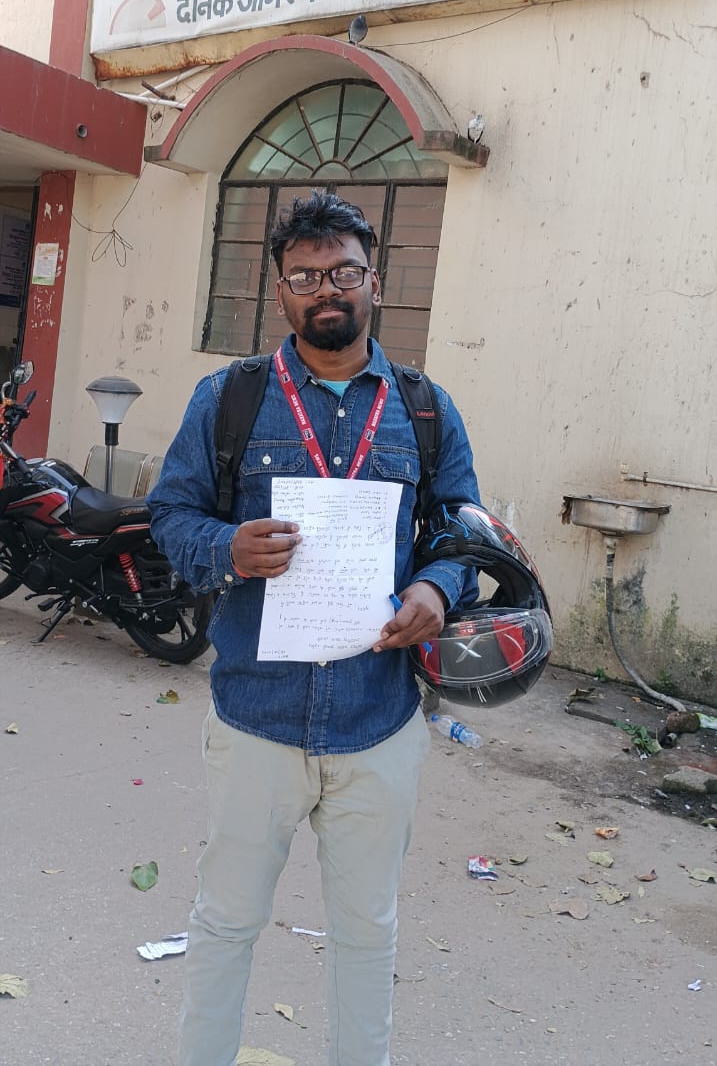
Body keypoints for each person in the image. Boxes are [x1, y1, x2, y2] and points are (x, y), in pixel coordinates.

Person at [148, 190, 481, 1066]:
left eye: (343, 271)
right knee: (225, 921)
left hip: (378, 719)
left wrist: (438, 586)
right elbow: (170, 516)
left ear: (374, 281)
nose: (325, 289)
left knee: (367, 932)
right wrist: (225, 547)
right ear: (280, 291)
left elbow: (461, 529)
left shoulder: (425, 408)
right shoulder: (229, 399)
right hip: (256, 716)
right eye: (304, 276)